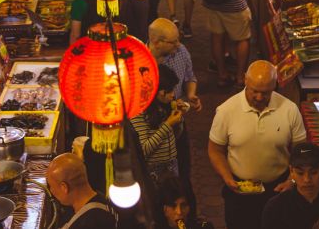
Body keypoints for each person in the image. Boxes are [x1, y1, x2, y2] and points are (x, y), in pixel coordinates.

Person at [208, 61, 307, 229]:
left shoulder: (289, 110)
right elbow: (215, 150)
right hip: (239, 193)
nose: (260, 98)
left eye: (266, 93)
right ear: (245, 80)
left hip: (277, 190)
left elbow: (301, 151)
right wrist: (227, 177)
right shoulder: (226, 111)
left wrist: (292, 180)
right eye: (255, 91)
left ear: (275, 85)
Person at [148, 18, 201, 212]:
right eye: (173, 41)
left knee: (183, 174)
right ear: (156, 42)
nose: (178, 44)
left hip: (177, 125)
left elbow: (190, 77)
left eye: (178, 39)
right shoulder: (142, 62)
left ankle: (188, 215)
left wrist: (192, 94)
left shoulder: (181, 53)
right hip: (153, 129)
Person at [261, 143, 319, 229]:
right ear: (291, 171)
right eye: (300, 173)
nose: (307, 179)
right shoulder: (276, 208)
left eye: (313, 172)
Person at [131, 65, 184, 182]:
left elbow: (175, 137)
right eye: (169, 90)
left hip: (172, 164)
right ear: (156, 90)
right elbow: (142, 150)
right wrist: (168, 125)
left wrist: (178, 120)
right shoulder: (139, 113)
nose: (173, 94)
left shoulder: (164, 106)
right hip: (154, 171)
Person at [46, 153, 116, 229]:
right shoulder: (100, 200)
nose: (51, 191)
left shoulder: (89, 222)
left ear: (64, 187)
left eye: (51, 186)